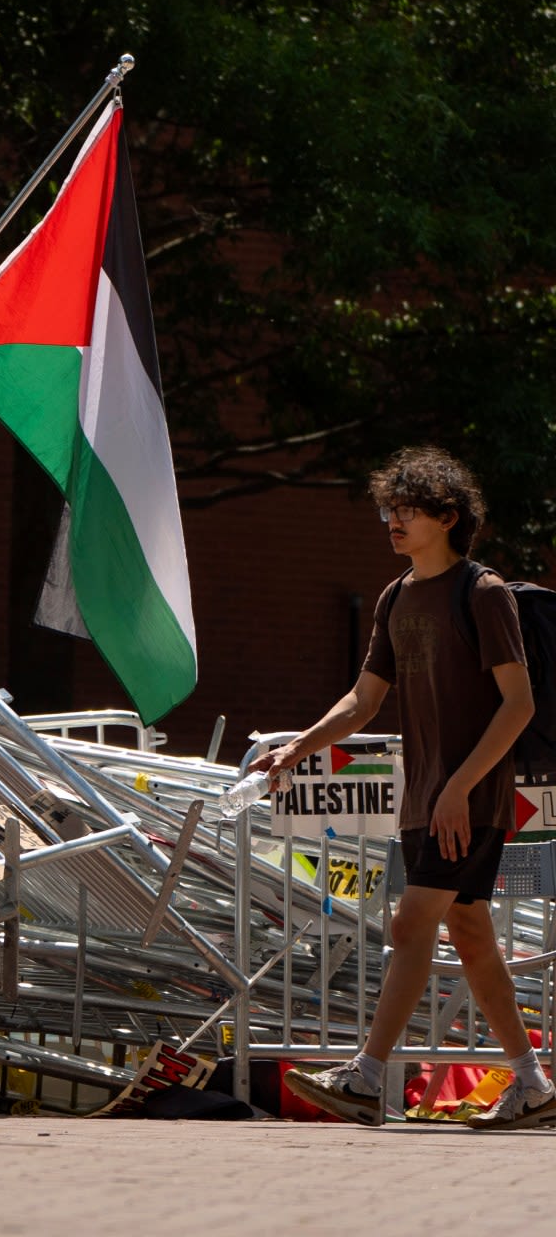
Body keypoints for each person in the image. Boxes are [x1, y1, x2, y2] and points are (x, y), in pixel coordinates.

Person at [257, 446, 550, 1130]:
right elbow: (363, 702)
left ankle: (365, 1076)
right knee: (472, 936)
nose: (392, 519)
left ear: (447, 517)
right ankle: (535, 1085)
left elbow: (519, 704)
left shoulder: (482, 594)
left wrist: (459, 788)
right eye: (389, 508)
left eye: (407, 509)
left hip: (467, 799)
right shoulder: (395, 596)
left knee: (410, 923)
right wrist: (299, 746)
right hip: (423, 798)